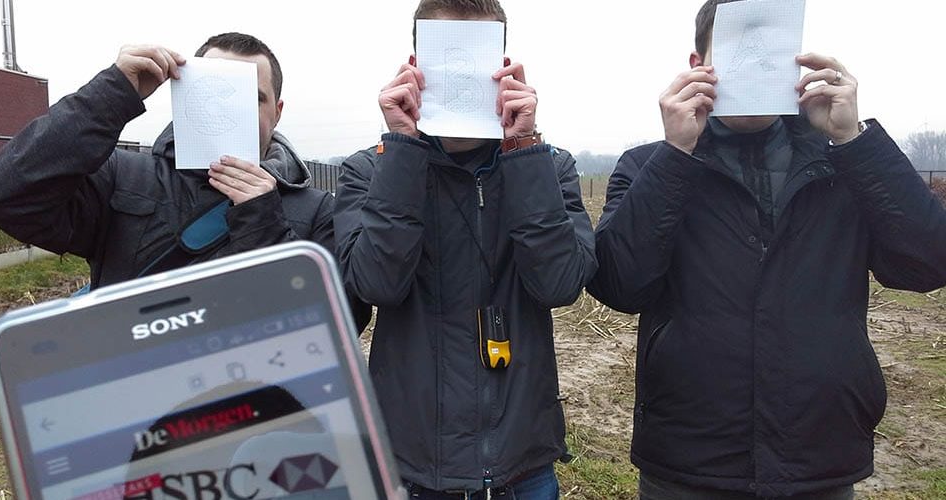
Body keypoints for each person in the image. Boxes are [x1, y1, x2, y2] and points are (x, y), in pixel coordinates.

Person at [587, 1, 946, 498]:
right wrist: (676, 155)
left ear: (797, 63)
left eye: (772, 54)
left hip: (819, 457)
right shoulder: (651, 165)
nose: (754, 67)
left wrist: (854, 139)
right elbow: (619, 284)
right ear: (698, 66)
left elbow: (928, 263)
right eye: (736, 51)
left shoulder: (844, 164)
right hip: (689, 459)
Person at [334, 0, 596, 497]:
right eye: (445, 57)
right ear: (415, 66)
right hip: (411, 469)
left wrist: (522, 148)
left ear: (502, 67)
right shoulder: (370, 170)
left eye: (475, 58)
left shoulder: (546, 166)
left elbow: (559, 285)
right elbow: (376, 284)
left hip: (522, 465)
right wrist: (403, 147)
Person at [0, 33, 370, 330]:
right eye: (214, 92)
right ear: (185, 96)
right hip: (138, 399)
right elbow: (4, 196)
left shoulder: (316, 209)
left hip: (253, 403)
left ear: (277, 112)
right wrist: (111, 95)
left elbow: (345, 320)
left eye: (253, 98)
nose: (231, 111)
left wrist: (264, 225)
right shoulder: (125, 176)